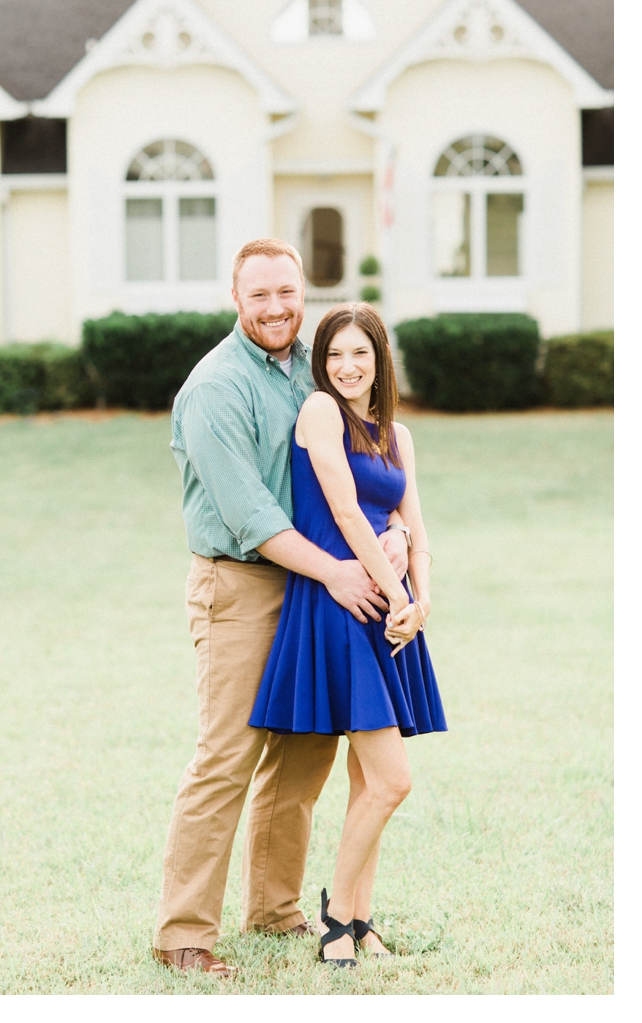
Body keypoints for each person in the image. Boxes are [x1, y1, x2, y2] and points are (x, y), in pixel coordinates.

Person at [154, 238, 411, 977]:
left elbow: (363, 464)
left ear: (304, 293)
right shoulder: (214, 388)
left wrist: (392, 531)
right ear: (237, 298)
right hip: (239, 584)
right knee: (227, 755)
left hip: (315, 584)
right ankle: (183, 934)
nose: (275, 307)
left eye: (287, 293)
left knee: (305, 748)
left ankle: (274, 907)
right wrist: (339, 571)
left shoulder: (317, 365)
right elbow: (253, 516)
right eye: (259, 294)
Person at [249, 302, 444, 966]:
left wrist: (421, 600)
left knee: (369, 780)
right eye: (333, 355)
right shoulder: (320, 413)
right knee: (393, 780)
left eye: (359, 353)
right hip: (342, 604)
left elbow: (409, 520)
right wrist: (393, 591)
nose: (346, 366)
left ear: (379, 358)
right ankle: (335, 916)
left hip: (391, 610)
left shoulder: (397, 432)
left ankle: (361, 920)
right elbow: (342, 510)